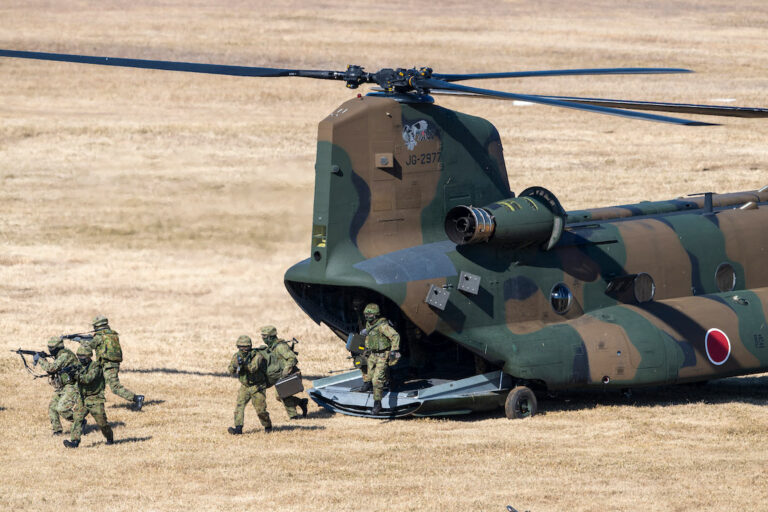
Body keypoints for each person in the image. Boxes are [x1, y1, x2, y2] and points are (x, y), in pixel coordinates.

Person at [87, 316, 144, 411]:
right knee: (97, 384)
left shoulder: (99, 337)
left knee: (115, 387)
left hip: (108, 365)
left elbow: (88, 347)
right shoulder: (112, 334)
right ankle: (94, 404)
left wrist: (81, 341)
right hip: (109, 364)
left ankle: (137, 398)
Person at [64, 345, 114, 448]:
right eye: (79, 357)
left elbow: (87, 379)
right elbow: (72, 381)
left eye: (82, 357)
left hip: (95, 398)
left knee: (102, 423)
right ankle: (74, 442)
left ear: (88, 357)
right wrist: (69, 374)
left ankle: (109, 437)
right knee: (77, 419)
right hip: (83, 398)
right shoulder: (78, 366)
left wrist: (75, 374)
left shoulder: (96, 367)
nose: (80, 360)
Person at [259, 325, 308, 420]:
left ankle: (293, 417)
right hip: (282, 375)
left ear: (271, 337)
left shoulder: (280, 346)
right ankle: (301, 403)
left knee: (282, 394)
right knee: (280, 396)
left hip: (291, 374)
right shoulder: (272, 347)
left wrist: (286, 372)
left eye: (264, 337)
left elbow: (292, 358)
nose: (263, 339)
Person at [227, 335, 272, 434]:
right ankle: (238, 428)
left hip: (257, 386)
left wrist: (244, 365)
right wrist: (235, 366)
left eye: (246, 347)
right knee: (239, 406)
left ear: (250, 346)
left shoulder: (257, 356)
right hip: (245, 386)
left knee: (261, 410)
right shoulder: (236, 356)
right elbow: (230, 370)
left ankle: (268, 426)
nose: (243, 350)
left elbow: (253, 368)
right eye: (241, 347)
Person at [362, 303, 400, 415]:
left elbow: (395, 336)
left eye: (370, 314)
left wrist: (394, 350)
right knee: (365, 369)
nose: (367, 316)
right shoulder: (369, 325)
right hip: (372, 354)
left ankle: (377, 404)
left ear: (376, 315)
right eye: (366, 314)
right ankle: (375, 383)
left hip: (383, 355)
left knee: (377, 380)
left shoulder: (383, 326)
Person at [38, 337, 79, 436]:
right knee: (52, 407)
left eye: (52, 348)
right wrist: (44, 357)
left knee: (62, 408)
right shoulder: (60, 355)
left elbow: (51, 368)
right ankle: (57, 430)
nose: (50, 350)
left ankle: (79, 421)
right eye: (49, 348)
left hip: (72, 385)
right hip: (63, 386)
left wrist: (40, 359)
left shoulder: (65, 355)